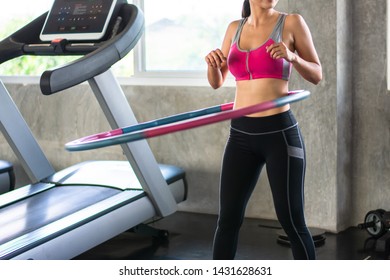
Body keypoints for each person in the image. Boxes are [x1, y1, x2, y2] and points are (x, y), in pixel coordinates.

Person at [205, 0, 322, 260]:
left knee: (291, 221)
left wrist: (292, 57)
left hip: (278, 133)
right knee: (227, 220)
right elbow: (217, 82)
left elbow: (317, 74)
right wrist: (212, 65)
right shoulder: (234, 28)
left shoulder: (291, 23)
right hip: (241, 135)